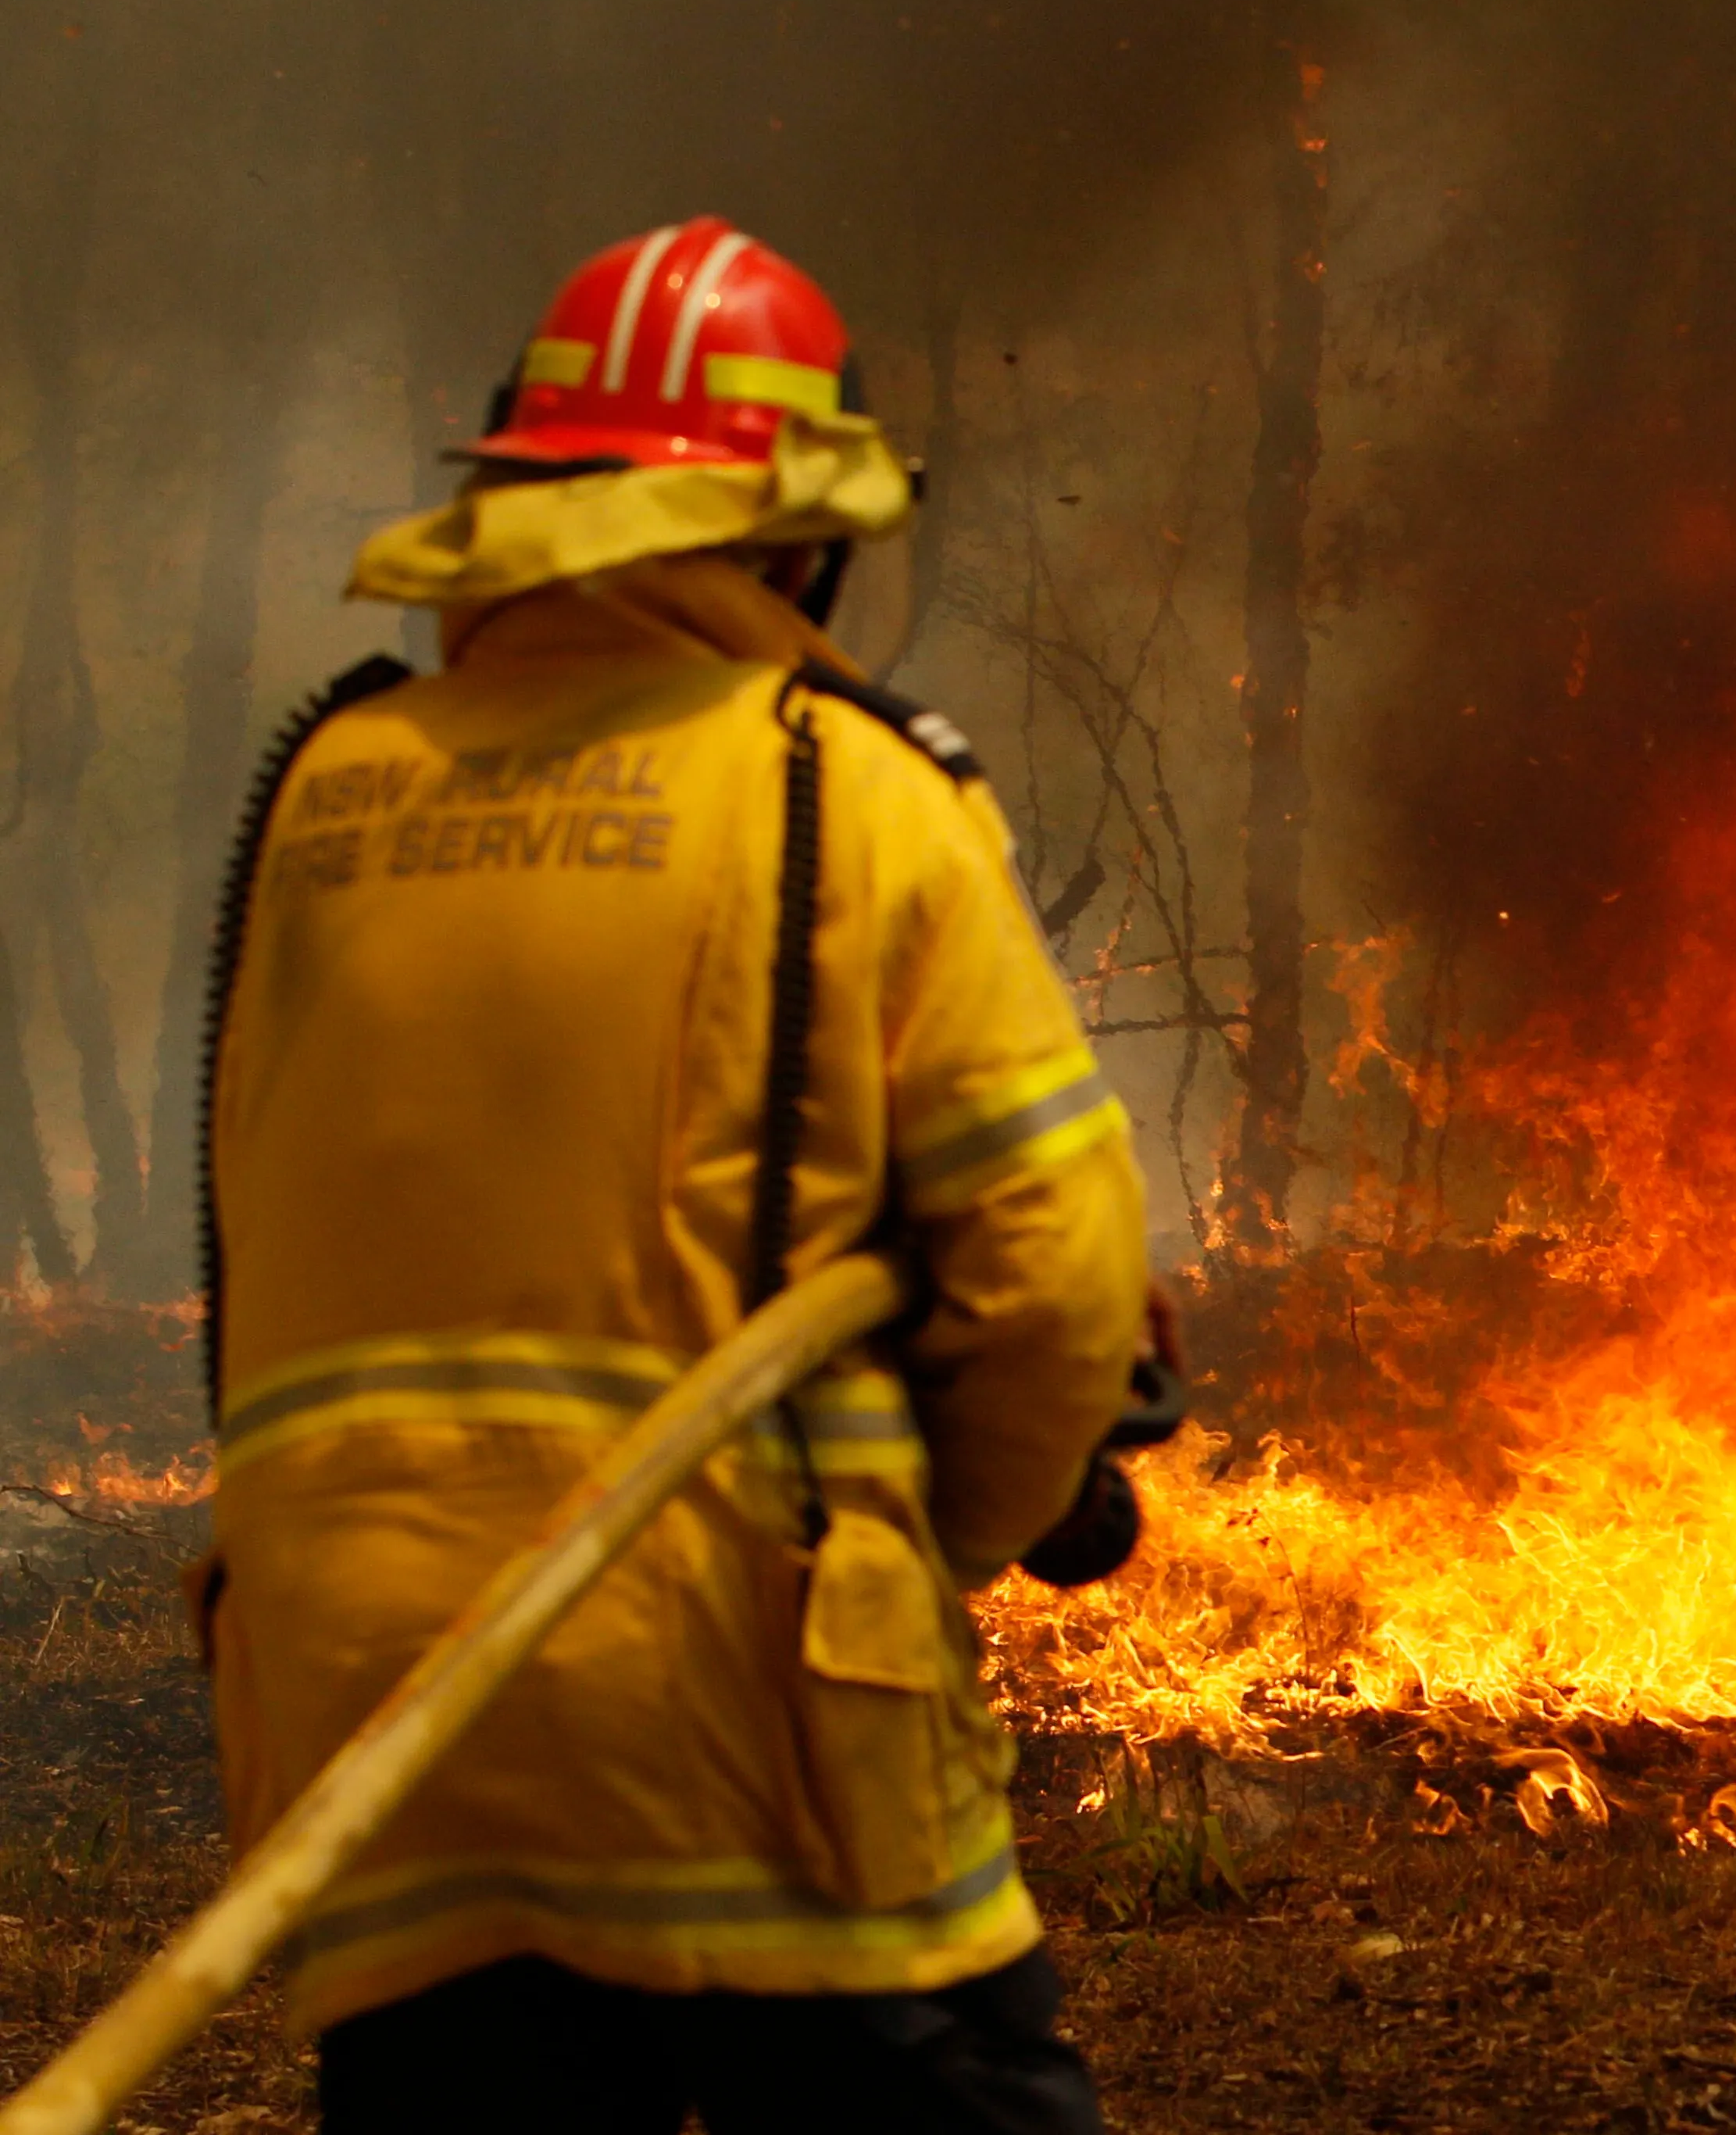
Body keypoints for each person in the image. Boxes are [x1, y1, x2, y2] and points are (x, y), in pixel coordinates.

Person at [198, 217, 1151, 2134]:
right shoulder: (847, 783)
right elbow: (1056, 1278)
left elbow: (267, 1254)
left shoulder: (331, 791)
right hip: (737, 1707)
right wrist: (927, 1552)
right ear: (801, 539)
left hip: (374, 1728)